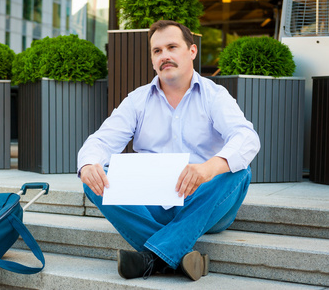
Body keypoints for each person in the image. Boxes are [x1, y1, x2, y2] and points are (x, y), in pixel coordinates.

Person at [77, 20, 260, 282]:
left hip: (205, 201)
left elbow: (247, 137)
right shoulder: (137, 100)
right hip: (153, 203)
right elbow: (102, 141)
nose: (165, 56)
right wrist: (88, 165)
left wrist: (208, 169)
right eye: (157, 51)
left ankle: (151, 258)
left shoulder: (214, 95)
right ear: (152, 59)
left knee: (238, 173)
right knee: (93, 177)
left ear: (192, 52)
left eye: (172, 47)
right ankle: (175, 255)